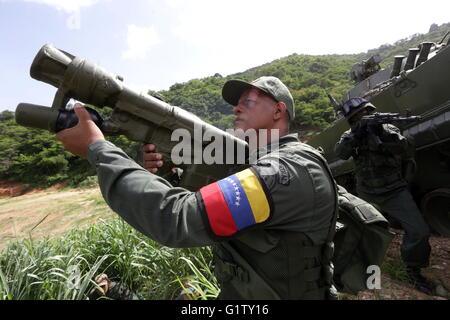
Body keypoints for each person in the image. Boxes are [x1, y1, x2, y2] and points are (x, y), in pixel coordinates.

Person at [56, 76, 338, 299]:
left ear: (278, 110)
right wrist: (167, 171)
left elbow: (176, 218)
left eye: (248, 101)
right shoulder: (259, 165)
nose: (236, 108)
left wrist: (99, 149)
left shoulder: (282, 172)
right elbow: (202, 200)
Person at [334, 97, 433, 295]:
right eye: (357, 116)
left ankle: (413, 269)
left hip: (394, 191)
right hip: (367, 193)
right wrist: (356, 134)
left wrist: (383, 135)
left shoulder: (387, 128)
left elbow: (405, 148)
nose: (363, 116)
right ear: (352, 120)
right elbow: (340, 153)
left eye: (365, 112)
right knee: (361, 233)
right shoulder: (350, 134)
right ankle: (358, 270)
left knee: (419, 231)